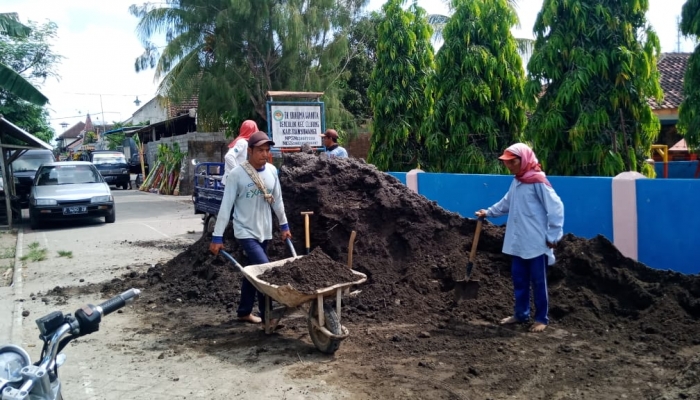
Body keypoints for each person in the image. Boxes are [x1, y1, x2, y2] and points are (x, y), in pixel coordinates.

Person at [475, 143, 564, 333]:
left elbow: (556, 208)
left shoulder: (538, 181)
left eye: (512, 162)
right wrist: (488, 212)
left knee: (538, 281)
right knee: (519, 280)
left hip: (536, 241)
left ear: (523, 160)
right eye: (506, 163)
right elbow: (506, 203)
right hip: (518, 241)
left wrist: (554, 235)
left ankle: (541, 318)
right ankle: (521, 314)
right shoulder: (517, 181)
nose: (509, 166)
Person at [209, 131, 292, 324]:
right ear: (250, 151)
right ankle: (267, 316)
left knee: (251, 270)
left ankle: (244, 312)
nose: (264, 154)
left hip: (265, 230)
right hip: (245, 231)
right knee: (264, 271)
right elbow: (226, 206)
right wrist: (217, 236)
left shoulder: (272, 171)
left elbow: (277, 201)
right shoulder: (237, 175)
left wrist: (284, 225)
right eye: (260, 150)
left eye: (267, 150)